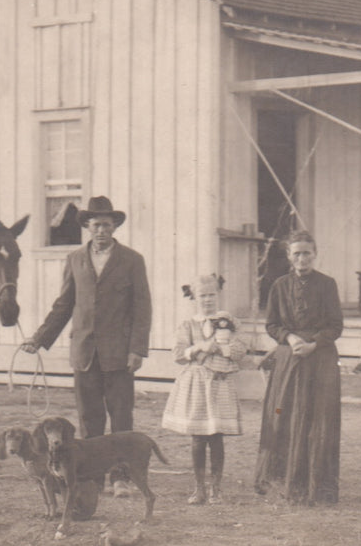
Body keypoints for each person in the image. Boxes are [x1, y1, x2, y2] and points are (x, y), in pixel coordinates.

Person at [21, 196, 152, 497]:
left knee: (120, 416)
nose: (102, 231)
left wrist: (138, 350)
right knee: (89, 418)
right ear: (87, 228)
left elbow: (142, 308)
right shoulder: (75, 259)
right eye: (96, 225)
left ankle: (120, 477)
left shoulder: (132, 260)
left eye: (107, 225)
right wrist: (39, 339)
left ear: (115, 226)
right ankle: (93, 476)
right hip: (83, 354)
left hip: (119, 354)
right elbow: (64, 305)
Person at [254, 230, 343, 505]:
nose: (302, 258)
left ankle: (317, 486)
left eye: (307, 253)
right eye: (297, 253)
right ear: (289, 256)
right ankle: (284, 483)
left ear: (314, 254)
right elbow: (272, 324)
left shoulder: (327, 284)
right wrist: (291, 338)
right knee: (284, 416)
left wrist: (314, 343)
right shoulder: (279, 285)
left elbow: (335, 325)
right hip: (289, 360)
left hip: (320, 360)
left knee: (319, 419)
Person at [161, 274, 245, 505]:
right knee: (198, 437)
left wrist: (221, 348)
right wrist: (199, 347)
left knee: (216, 437)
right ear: (194, 298)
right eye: (202, 296)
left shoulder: (229, 322)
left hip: (219, 382)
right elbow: (178, 355)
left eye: (211, 295)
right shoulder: (188, 325)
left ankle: (215, 488)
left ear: (218, 295)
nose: (207, 300)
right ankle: (198, 488)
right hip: (197, 384)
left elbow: (240, 350)